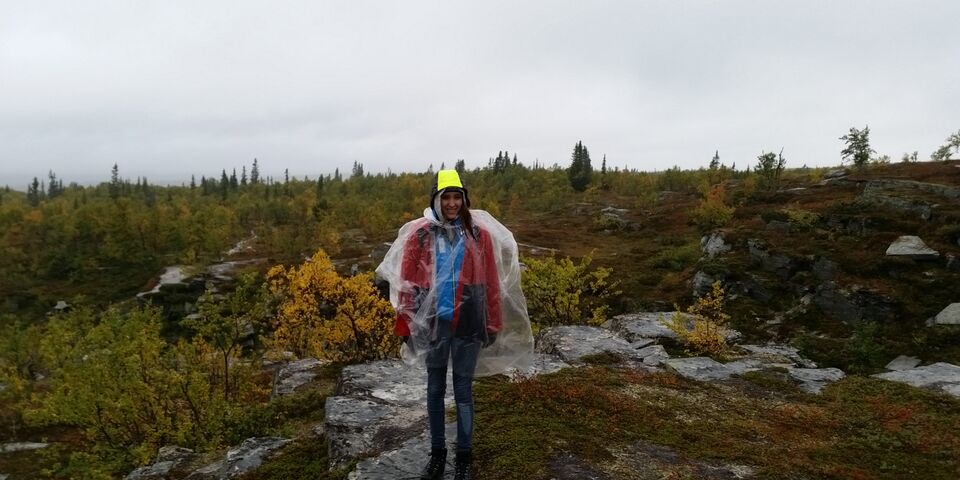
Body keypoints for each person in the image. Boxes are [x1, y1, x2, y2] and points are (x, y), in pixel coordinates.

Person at [376, 169, 533, 480]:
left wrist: (492, 322)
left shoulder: (479, 235)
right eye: (445, 197)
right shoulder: (421, 235)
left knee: (463, 390)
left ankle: (464, 458)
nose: (451, 203)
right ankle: (437, 455)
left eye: (456, 197)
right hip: (432, 325)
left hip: (469, 323)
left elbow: (491, 282)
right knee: (435, 389)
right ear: (435, 199)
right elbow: (406, 282)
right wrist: (405, 325)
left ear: (464, 199)